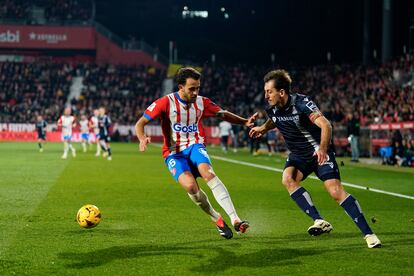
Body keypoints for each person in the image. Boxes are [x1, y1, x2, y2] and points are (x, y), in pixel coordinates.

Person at [249, 69, 381, 248]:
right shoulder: (272, 108)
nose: (266, 96)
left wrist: (323, 149)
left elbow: (325, 124)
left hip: (317, 152)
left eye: (269, 91)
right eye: (265, 92)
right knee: (288, 179)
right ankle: (319, 220)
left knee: (335, 192)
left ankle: (369, 234)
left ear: (282, 92)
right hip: (298, 156)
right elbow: (274, 118)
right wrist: (263, 128)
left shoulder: (303, 103)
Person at [135, 67, 256, 239]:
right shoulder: (164, 102)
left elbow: (222, 114)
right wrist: (142, 138)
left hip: (195, 145)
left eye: (198, 88)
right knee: (191, 187)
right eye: (191, 88)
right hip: (173, 153)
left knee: (208, 173)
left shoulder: (202, 102)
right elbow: (140, 123)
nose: (195, 92)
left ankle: (235, 219)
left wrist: (244, 122)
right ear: (180, 87)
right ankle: (217, 218)